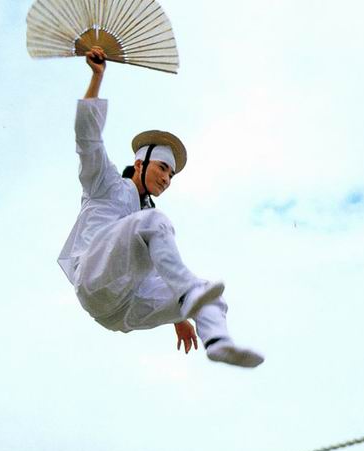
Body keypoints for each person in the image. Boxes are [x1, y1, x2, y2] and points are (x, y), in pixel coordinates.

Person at [58, 46, 264, 368]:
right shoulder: (105, 183)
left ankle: (218, 342)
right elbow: (88, 138)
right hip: (93, 279)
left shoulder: (146, 219)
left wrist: (179, 315)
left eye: (171, 174)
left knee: (208, 289)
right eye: (163, 168)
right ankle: (189, 296)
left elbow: (158, 267)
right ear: (140, 163)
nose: (167, 178)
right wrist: (97, 78)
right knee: (154, 222)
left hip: (122, 311)